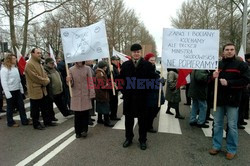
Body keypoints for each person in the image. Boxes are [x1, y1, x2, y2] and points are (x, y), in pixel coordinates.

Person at [209, 43, 250, 160]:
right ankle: (216, 146)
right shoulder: (218, 65)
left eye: (232, 49)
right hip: (219, 100)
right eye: (227, 49)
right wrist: (213, 76)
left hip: (233, 100)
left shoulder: (241, 65)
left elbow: (246, 80)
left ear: (235, 51)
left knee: (232, 126)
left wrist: (229, 83)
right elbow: (210, 82)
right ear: (223, 52)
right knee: (217, 124)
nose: (229, 51)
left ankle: (231, 149)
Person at [119, 43, 158, 150]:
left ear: (141, 53)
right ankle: (128, 138)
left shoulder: (147, 65)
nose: (136, 54)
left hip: (142, 99)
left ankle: (142, 140)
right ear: (131, 53)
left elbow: (153, 79)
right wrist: (124, 91)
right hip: (129, 98)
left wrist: (158, 81)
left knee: (143, 121)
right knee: (128, 120)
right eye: (134, 52)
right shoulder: (125, 65)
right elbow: (121, 80)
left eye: (138, 52)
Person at [25, 48, 56, 130]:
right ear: (32, 53)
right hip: (35, 90)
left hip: (42, 89)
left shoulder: (39, 63)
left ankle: (47, 121)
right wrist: (46, 81)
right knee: (35, 109)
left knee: (44, 107)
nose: (40, 54)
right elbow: (35, 77)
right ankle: (36, 124)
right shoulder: (29, 64)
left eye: (40, 53)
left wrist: (46, 79)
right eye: (38, 53)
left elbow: (44, 73)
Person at [1, 53, 31, 127]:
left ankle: (24, 120)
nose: (15, 60)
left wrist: (21, 90)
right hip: (10, 91)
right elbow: (4, 82)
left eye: (15, 58)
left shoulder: (15, 68)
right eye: (13, 58)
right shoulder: (4, 70)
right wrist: (7, 93)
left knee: (21, 106)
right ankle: (10, 122)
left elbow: (18, 80)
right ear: (9, 60)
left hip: (17, 90)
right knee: (10, 108)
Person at [66, 61, 95, 138]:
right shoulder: (71, 69)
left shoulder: (87, 68)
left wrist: (92, 92)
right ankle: (77, 131)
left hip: (86, 94)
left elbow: (90, 81)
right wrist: (68, 80)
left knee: (85, 114)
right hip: (76, 95)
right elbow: (71, 85)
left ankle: (84, 130)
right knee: (77, 115)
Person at [144, 53, 165, 133]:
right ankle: (148, 126)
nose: (153, 62)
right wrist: (158, 81)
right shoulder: (145, 69)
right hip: (149, 94)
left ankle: (149, 124)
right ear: (147, 60)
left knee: (155, 109)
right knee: (150, 111)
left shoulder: (154, 68)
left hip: (156, 93)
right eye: (151, 60)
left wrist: (162, 81)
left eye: (153, 60)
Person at [95, 60, 114, 127]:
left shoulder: (100, 73)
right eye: (105, 66)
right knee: (106, 107)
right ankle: (107, 121)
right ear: (103, 67)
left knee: (101, 106)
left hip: (100, 93)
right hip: (102, 93)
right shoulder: (100, 74)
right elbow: (102, 86)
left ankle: (100, 119)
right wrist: (111, 87)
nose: (106, 67)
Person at [109, 56, 121, 121]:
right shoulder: (111, 67)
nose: (117, 61)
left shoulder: (115, 67)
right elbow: (112, 77)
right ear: (112, 60)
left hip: (116, 87)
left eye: (118, 60)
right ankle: (112, 115)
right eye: (116, 60)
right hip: (112, 88)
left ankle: (114, 114)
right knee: (113, 102)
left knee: (115, 102)